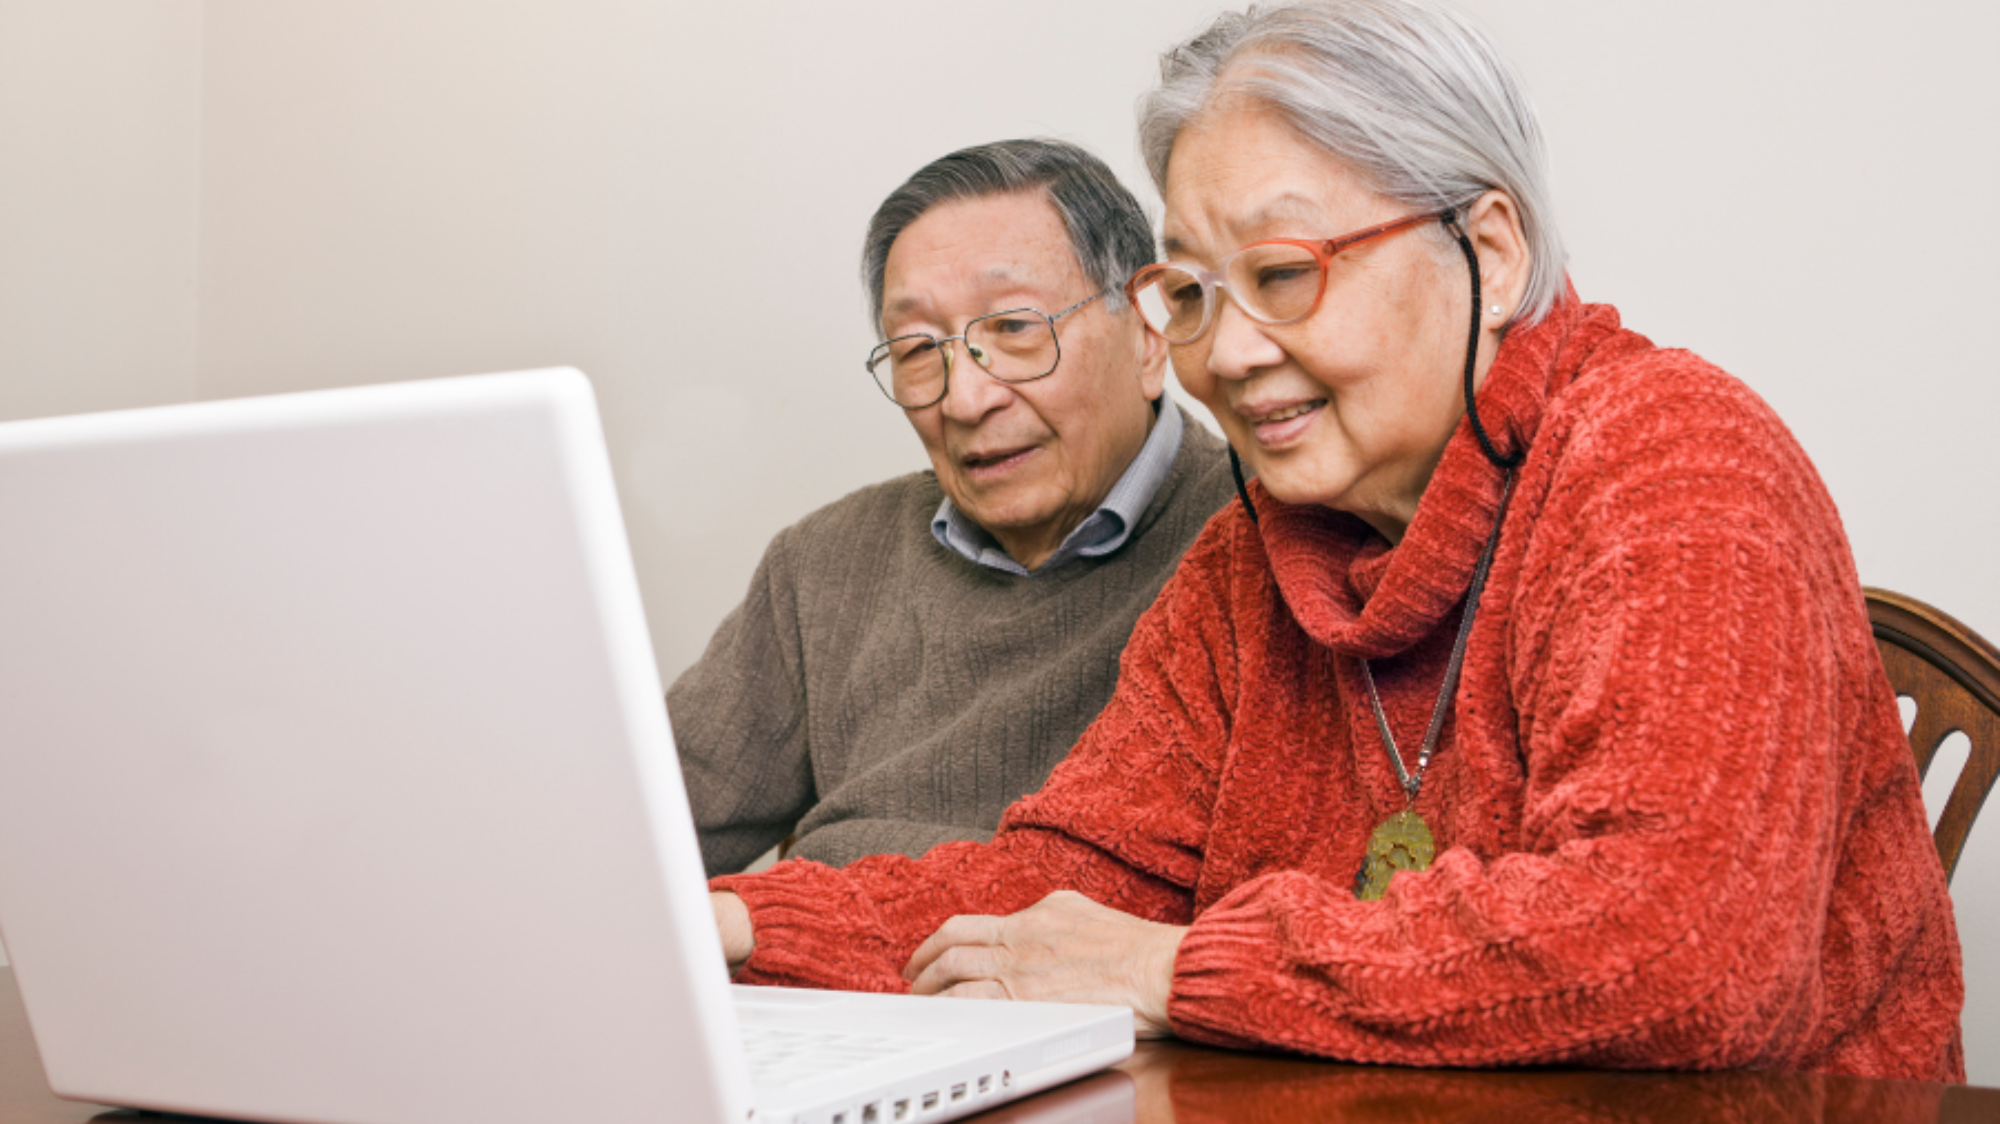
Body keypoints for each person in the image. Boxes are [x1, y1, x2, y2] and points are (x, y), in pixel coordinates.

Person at [707, 0, 1966, 1081]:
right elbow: (1058, 890)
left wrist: (1180, 968)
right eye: (1192, 292)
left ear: (1485, 245)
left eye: (1286, 271)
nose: (1229, 352)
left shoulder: (1672, 459)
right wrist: (725, 924)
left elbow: (1683, 955)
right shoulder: (1249, 560)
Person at [672, 139, 1236, 877]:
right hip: (809, 976)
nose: (966, 399)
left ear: (1147, 336)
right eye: (916, 350)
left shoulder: (1259, 532)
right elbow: (620, 832)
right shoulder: (822, 566)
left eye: (1014, 328)